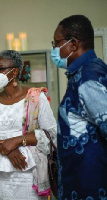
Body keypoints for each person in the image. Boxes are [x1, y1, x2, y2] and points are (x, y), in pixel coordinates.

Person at [0, 50, 57, 200]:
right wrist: (6, 149)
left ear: (14, 72)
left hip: (29, 170)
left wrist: (16, 141)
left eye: (1, 69)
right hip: (3, 172)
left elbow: (52, 134)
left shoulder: (36, 98)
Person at [51, 15, 107, 199]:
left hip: (90, 187)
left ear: (73, 44)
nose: (54, 49)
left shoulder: (88, 78)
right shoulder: (83, 73)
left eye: (56, 43)